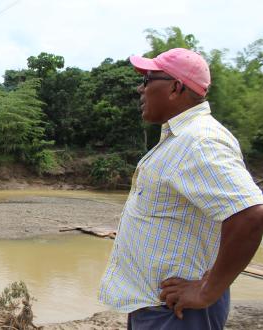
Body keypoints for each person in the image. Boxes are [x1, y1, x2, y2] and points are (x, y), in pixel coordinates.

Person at [98, 48, 263, 329]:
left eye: (148, 80)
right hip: (155, 305)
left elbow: (250, 214)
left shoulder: (200, 140)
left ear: (175, 87)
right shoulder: (179, 138)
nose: (140, 88)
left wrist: (207, 290)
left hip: (175, 312)